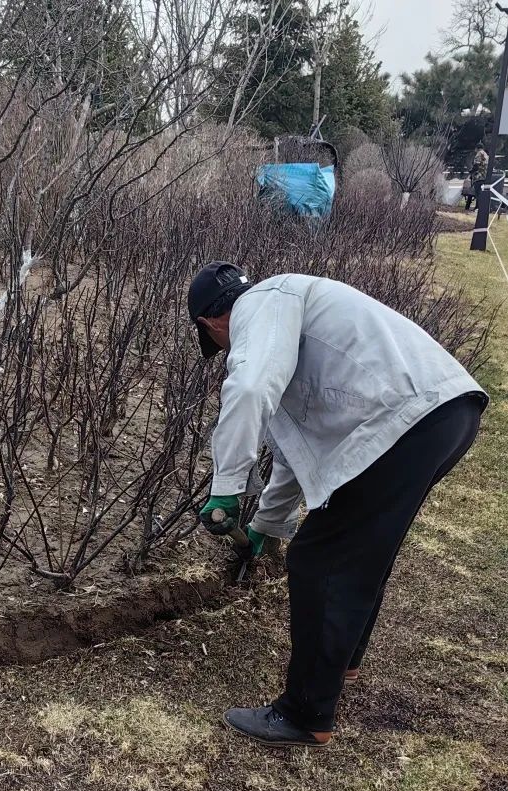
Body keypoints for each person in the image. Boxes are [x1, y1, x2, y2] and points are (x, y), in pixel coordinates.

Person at [189, 263, 488, 748]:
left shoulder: (265, 301)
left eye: (215, 341)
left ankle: (305, 713)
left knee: (320, 559)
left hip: (403, 421)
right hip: (444, 413)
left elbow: (248, 388)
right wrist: (268, 522)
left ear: (211, 322)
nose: (224, 349)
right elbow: (292, 451)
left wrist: (225, 485)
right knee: (363, 551)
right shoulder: (291, 315)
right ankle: (344, 661)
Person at [465, 142, 489, 211]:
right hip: (484, 176)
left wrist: (471, 171)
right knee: (481, 193)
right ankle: (478, 207)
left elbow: (476, 165)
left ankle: (478, 208)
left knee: (478, 193)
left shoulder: (479, 154)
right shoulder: (485, 154)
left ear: (477, 148)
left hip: (479, 176)